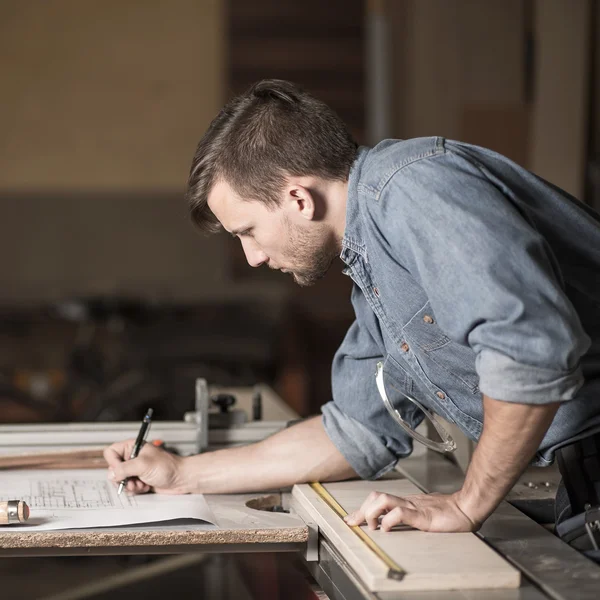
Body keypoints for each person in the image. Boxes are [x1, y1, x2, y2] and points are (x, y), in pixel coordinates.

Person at [105, 80, 600, 556]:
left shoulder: (413, 188)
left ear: (299, 198)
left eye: (248, 231)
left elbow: (530, 351)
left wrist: (467, 504)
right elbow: (357, 431)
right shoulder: (373, 262)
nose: (252, 256)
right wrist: (183, 473)